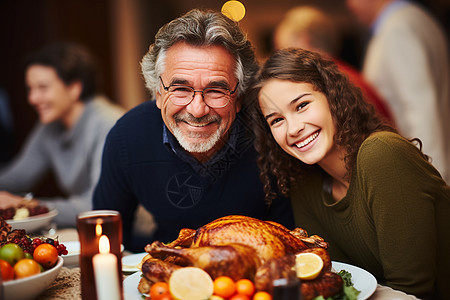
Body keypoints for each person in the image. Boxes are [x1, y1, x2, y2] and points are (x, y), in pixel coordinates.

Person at [250, 48, 450, 299]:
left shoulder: (382, 154)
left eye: (302, 105)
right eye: (276, 120)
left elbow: (411, 289)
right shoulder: (304, 186)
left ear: (332, 97)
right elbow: (341, 283)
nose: (293, 129)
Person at [93, 9, 295, 253]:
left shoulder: (271, 133)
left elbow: (291, 240)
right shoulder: (128, 136)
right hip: (167, 272)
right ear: (158, 93)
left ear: (239, 97)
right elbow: (105, 233)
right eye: (180, 89)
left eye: (216, 90)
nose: (197, 110)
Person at [0, 42, 125, 227]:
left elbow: (98, 204)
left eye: (42, 87)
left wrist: (25, 205)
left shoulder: (108, 124)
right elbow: (17, 177)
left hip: (132, 237)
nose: (32, 99)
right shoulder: (49, 126)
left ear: (74, 88)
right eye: (30, 89)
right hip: (92, 230)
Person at [345, 0, 450, 184]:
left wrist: (433, 180)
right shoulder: (413, 18)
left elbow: (420, 107)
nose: (348, 6)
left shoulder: (398, 29)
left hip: (422, 170)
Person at [273, 5, 394, 124]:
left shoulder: (331, 84)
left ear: (304, 40)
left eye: (285, 51)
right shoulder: (346, 74)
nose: (285, 65)